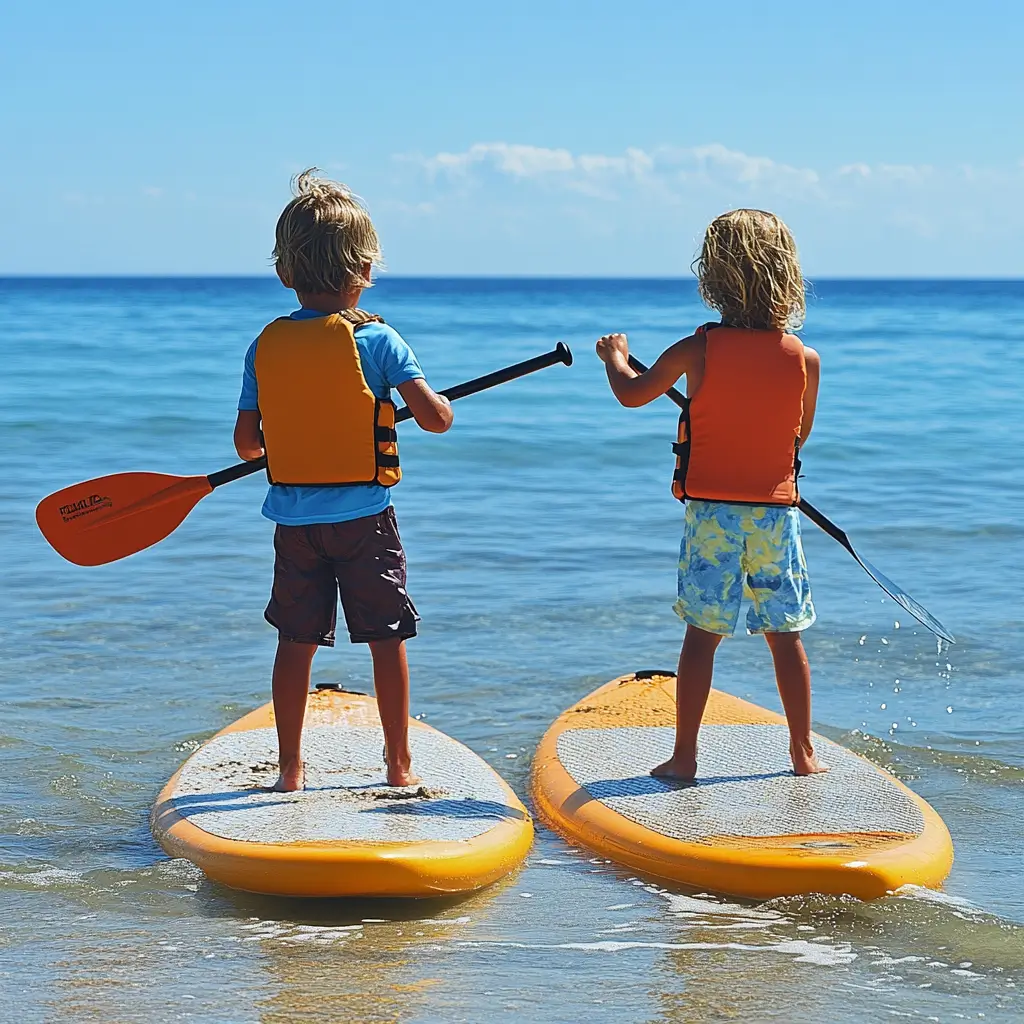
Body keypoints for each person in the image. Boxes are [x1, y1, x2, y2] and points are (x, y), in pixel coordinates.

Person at [234, 169, 453, 792]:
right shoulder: (379, 339)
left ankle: (291, 771)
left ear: (286, 273)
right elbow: (437, 420)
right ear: (365, 269)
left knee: (295, 642)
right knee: (387, 639)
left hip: (295, 527)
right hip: (365, 522)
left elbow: (247, 444)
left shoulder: (264, 346)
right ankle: (399, 765)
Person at [595, 208, 826, 780]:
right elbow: (799, 434)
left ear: (713, 278)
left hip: (713, 517)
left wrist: (615, 359)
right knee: (785, 635)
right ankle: (802, 753)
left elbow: (632, 395)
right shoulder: (804, 360)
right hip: (775, 517)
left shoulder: (696, 351)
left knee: (702, 636)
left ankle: (685, 757)